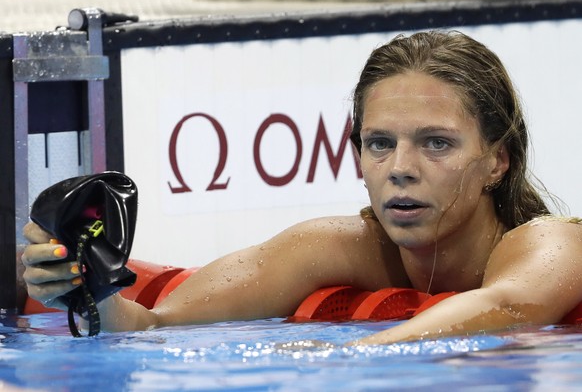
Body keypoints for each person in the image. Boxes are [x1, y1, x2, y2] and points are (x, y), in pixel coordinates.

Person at [21, 30, 582, 345]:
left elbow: (512, 305)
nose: (400, 168)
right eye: (379, 143)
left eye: (436, 143)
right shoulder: (337, 248)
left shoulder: (550, 243)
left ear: (497, 162)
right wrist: (81, 289)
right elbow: (154, 324)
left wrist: (356, 359)